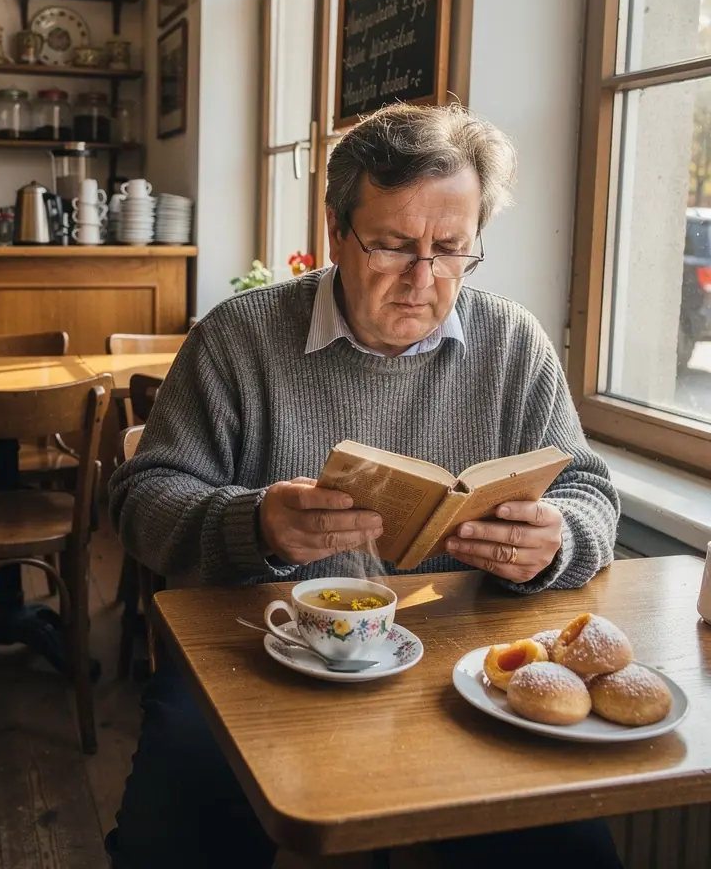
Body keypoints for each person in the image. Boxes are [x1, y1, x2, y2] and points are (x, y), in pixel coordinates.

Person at [106, 103, 623, 869]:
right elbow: (139, 498)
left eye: (451, 250)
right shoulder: (237, 338)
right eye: (393, 246)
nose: (424, 279)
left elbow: (590, 495)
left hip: (461, 662)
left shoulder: (513, 344)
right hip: (258, 655)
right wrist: (255, 525)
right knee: (171, 842)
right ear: (335, 230)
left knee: (569, 850)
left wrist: (557, 540)